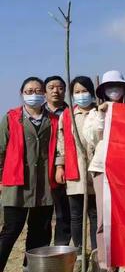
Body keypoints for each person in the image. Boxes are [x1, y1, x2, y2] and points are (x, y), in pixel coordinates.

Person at [0, 77, 58, 272]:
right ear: (22, 94)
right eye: (28, 90)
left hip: (44, 183)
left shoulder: (52, 120)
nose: (33, 93)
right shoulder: (11, 118)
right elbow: (1, 150)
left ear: (43, 94)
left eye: (37, 90)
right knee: (11, 230)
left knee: (40, 231)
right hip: (16, 183)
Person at [83, 70, 125, 272]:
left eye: (118, 86)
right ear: (103, 91)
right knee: (104, 219)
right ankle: (106, 266)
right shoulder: (95, 113)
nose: (114, 90)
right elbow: (92, 138)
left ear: (124, 89)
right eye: (109, 87)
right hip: (102, 167)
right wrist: (103, 114)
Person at [55, 76, 98, 272]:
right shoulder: (67, 115)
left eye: (84, 90)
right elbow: (61, 142)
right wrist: (60, 166)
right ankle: (80, 255)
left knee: (95, 215)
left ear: (92, 91)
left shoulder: (99, 112)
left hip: (96, 170)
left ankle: (98, 257)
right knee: (76, 216)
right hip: (75, 171)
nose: (81, 95)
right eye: (77, 92)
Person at [44, 75, 71, 247]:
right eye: (51, 87)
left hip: (66, 170)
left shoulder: (71, 113)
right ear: (45, 92)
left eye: (60, 87)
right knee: (43, 215)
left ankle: (61, 248)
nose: (56, 91)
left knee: (64, 214)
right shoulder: (39, 114)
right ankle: (42, 251)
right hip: (42, 171)